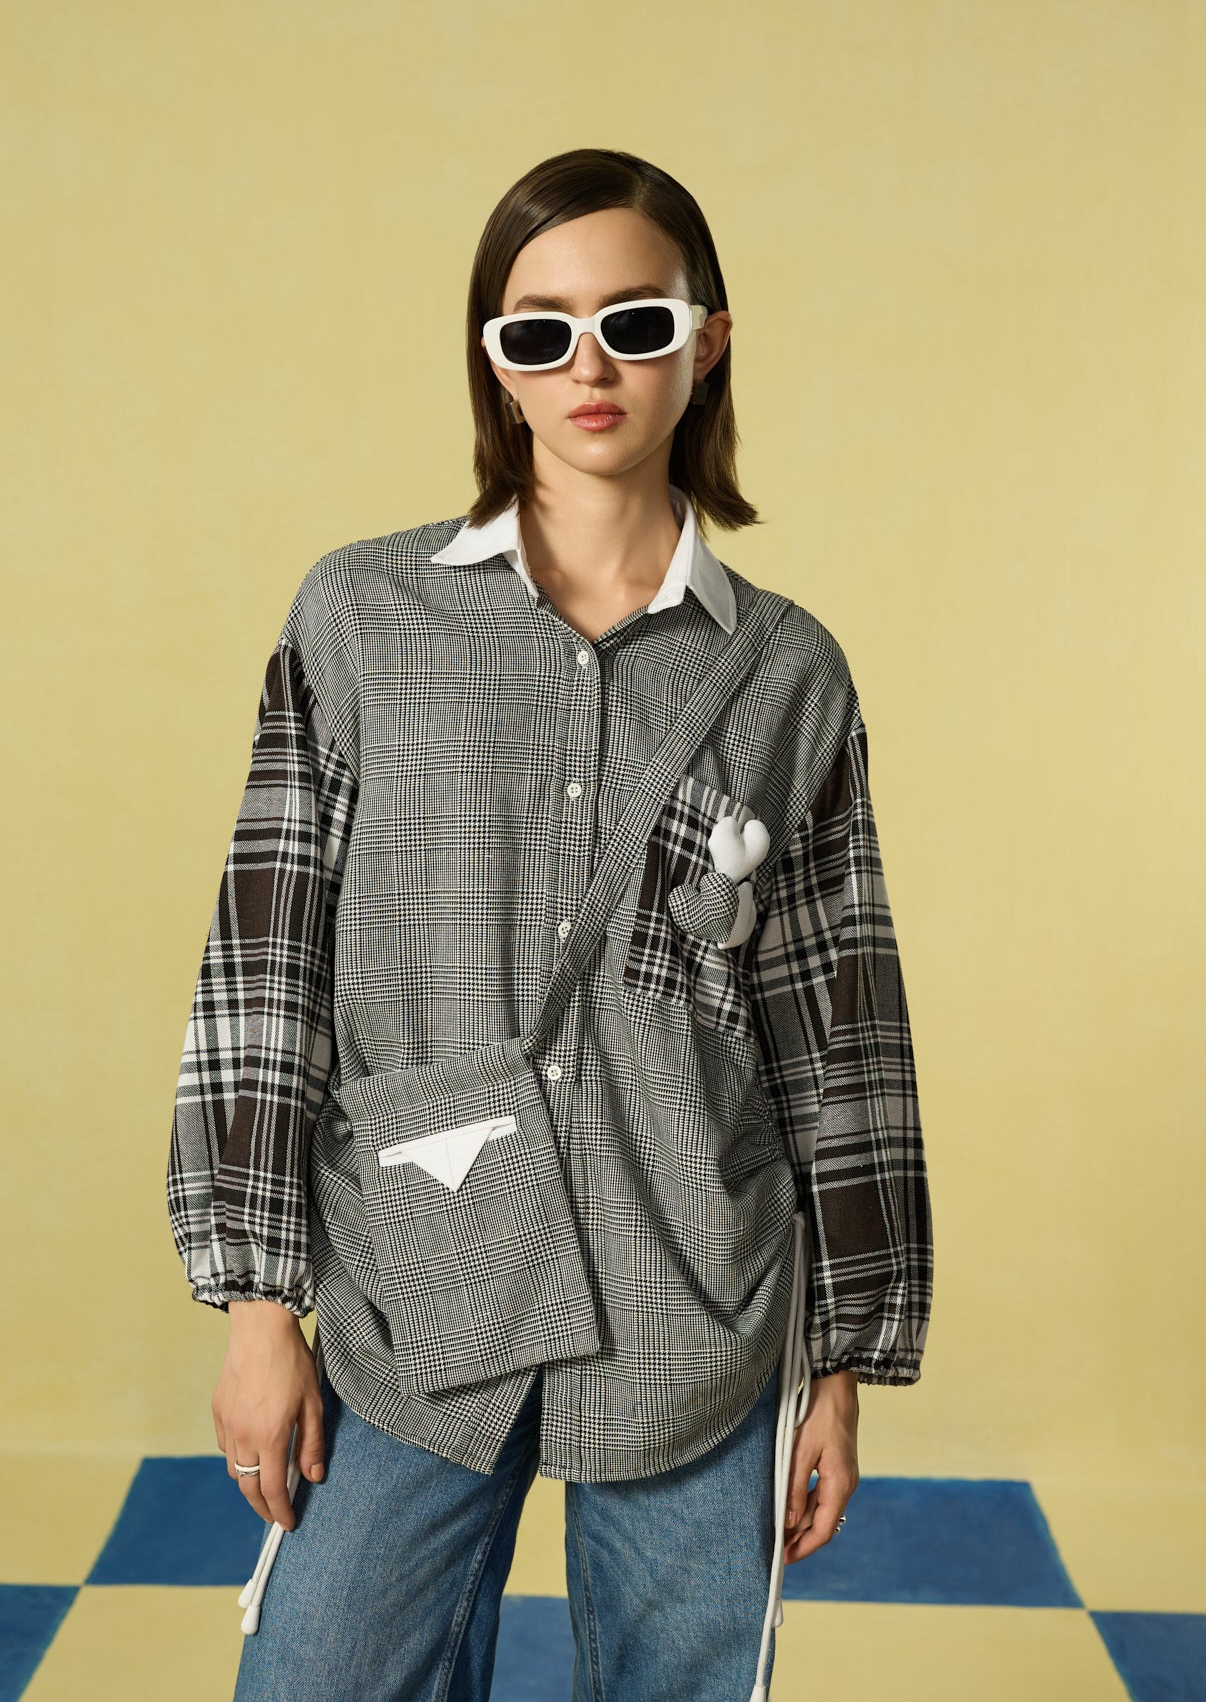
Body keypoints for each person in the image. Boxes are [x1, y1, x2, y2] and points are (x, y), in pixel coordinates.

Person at [166, 146, 933, 1702]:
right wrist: (257, 1300)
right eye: (540, 331)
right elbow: (265, 961)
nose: (589, 367)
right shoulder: (359, 616)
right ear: (495, 363)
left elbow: (836, 1024)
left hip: (694, 1290)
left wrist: (839, 1363)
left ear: (704, 342)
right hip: (412, 1275)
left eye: (633, 323)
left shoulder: (789, 673)